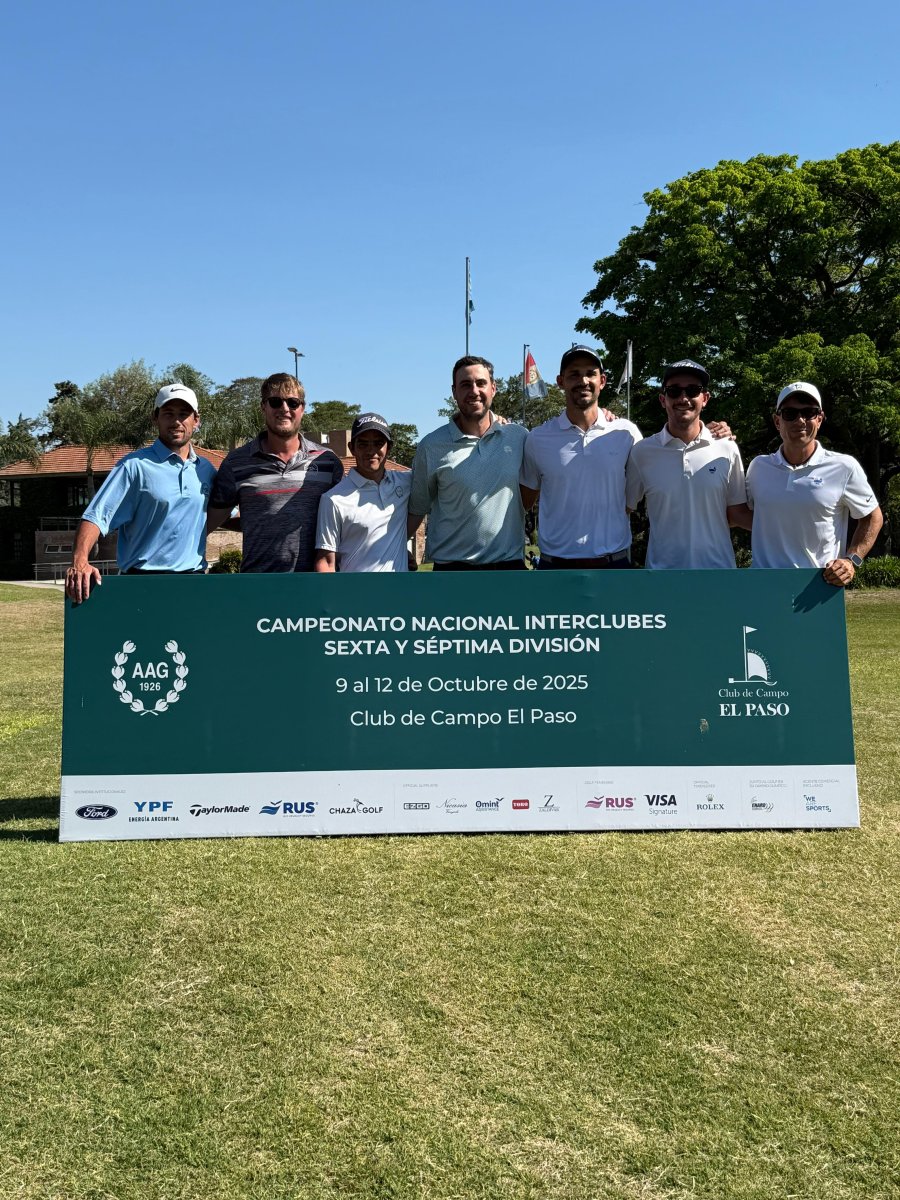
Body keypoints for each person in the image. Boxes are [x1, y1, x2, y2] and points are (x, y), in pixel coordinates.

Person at [65, 383, 216, 604]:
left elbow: (226, 514)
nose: (176, 421)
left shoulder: (206, 470)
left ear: (196, 420)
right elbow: (96, 516)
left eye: (183, 414)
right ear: (155, 418)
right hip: (141, 584)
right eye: (168, 414)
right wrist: (80, 562)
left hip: (193, 584)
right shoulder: (134, 466)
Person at [745, 382, 883, 587]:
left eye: (809, 413)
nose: (800, 420)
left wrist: (851, 560)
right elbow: (738, 513)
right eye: (790, 413)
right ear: (777, 421)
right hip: (763, 584)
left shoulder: (844, 466)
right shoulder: (758, 467)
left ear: (819, 419)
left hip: (820, 585)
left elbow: (873, 516)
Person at [519, 346, 643, 569]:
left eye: (590, 373)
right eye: (574, 374)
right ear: (560, 381)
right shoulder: (537, 439)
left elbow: (633, 498)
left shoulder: (626, 433)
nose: (583, 381)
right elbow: (525, 501)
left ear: (602, 381)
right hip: (555, 567)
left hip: (614, 564)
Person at [207, 373, 343, 572]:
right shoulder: (236, 463)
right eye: (275, 402)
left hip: (314, 583)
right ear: (263, 406)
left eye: (293, 403)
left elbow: (346, 521)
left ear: (302, 409)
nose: (285, 408)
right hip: (258, 584)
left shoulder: (328, 462)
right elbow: (212, 520)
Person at [407, 356, 528, 570]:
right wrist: (398, 547)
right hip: (452, 572)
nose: (474, 391)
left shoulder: (519, 437)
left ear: (493, 388)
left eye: (481, 383)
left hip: (509, 569)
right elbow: (417, 508)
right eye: (465, 385)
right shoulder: (431, 446)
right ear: (454, 392)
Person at [625, 360, 748, 568]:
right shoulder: (642, 452)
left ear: (705, 398)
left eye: (693, 390)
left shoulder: (727, 448)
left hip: (718, 575)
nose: (683, 398)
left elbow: (737, 514)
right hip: (663, 577)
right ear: (663, 399)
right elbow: (623, 509)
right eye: (674, 391)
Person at [315, 413, 412, 572]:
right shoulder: (333, 499)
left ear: (389, 448)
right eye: (363, 444)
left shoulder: (406, 482)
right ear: (351, 448)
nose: (371, 450)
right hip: (354, 588)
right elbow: (326, 561)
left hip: (399, 587)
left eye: (378, 443)